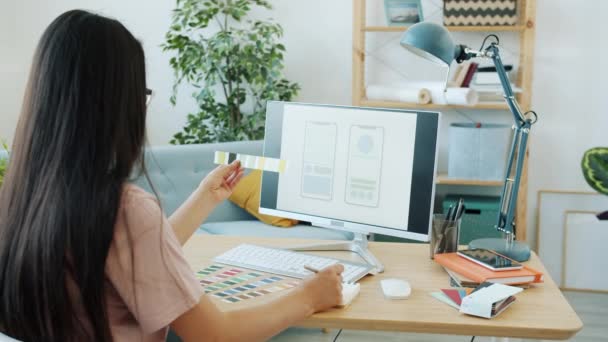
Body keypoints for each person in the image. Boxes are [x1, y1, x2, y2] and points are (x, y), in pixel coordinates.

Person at [0, 10, 343, 342]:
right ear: (118, 103)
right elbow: (215, 335)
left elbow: (131, 255)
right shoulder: (123, 208)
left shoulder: (18, 198)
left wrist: (204, 198)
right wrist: (309, 297)